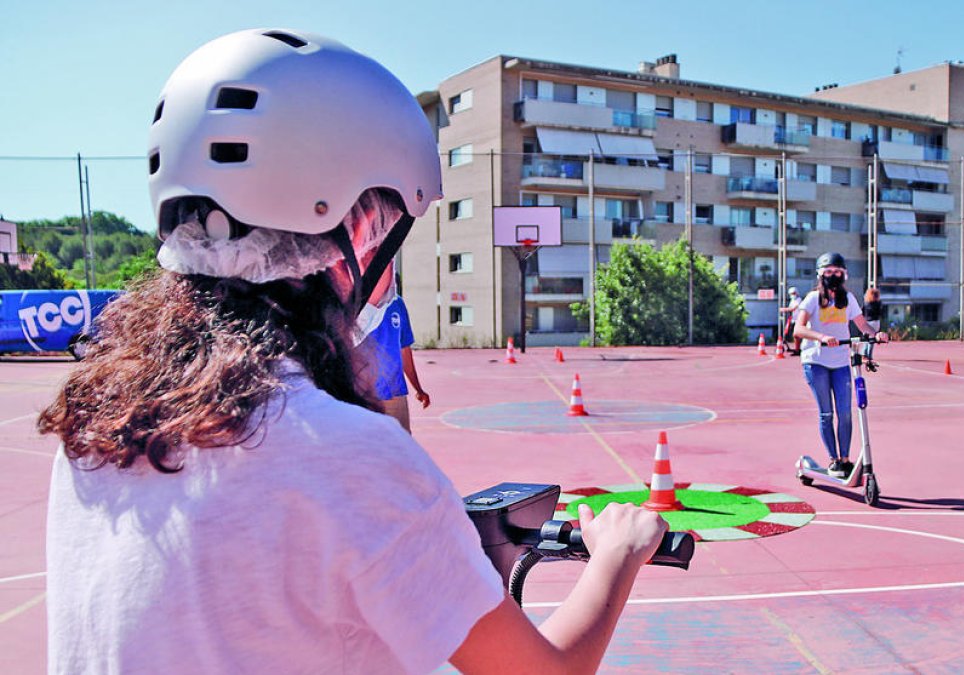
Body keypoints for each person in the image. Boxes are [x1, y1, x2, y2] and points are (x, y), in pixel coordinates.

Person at [38, 29, 665, 675]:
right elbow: (546, 672)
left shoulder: (96, 425)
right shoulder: (347, 456)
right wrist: (619, 549)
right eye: (388, 231)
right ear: (356, 237)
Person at [791, 252, 888, 478]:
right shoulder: (813, 299)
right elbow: (798, 329)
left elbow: (863, 325)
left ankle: (845, 460)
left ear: (844, 274)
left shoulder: (849, 299)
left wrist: (876, 335)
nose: (833, 275)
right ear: (821, 274)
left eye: (837, 271)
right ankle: (834, 460)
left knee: (845, 413)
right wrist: (821, 337)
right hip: (816, 362)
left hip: (841, 362)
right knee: (827, 414)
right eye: (828, 271)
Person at [357, 287, 430, 434]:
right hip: (362, 394)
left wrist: (418, 388)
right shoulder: (356, 301)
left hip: (394, 393)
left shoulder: (397, 304)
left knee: (402, 447)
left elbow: (404, 350)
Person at [779, 286, 801, 353]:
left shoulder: (799, 300)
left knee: (796, 335)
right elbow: (791, 308)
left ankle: (797, 349)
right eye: (791, 294)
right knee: (789, 334)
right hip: (793, 319)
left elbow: (793, 308)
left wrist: (784, 309)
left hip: (798, 320)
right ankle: (794, 348)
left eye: (794, 293)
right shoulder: (792, 301)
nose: (793, 295)